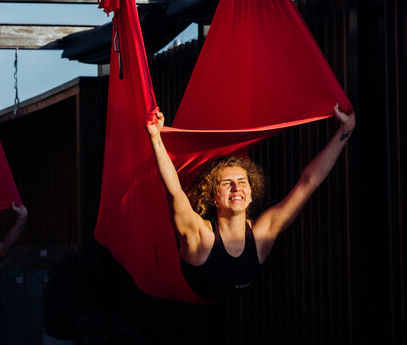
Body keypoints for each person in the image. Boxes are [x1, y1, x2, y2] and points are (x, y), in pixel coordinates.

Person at [146, 104, 355, 300]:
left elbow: (308, 182)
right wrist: (156, 138)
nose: (237, 189)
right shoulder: (198, 236)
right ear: (212, 196)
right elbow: (174, 191)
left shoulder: (264, 233)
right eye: (227, 183)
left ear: (251, 192)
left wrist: (345, 130)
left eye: (242, 182)